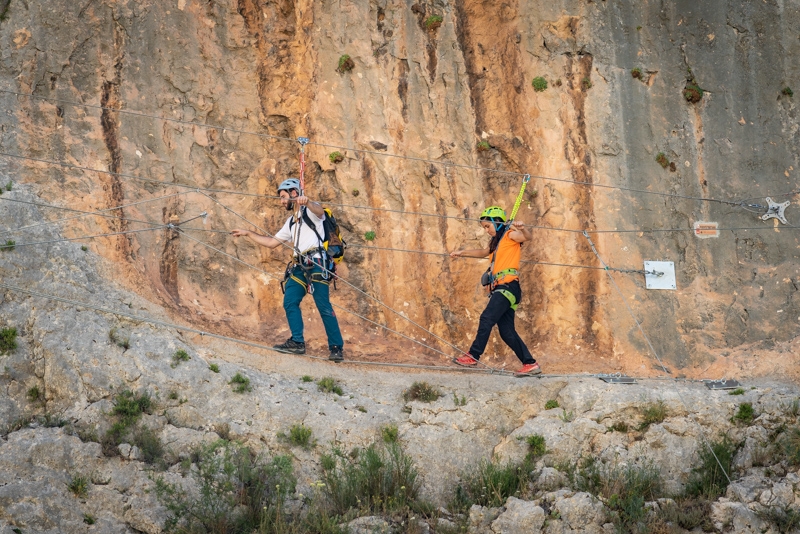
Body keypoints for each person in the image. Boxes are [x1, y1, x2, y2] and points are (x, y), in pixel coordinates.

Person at [231, 178, 344, 362]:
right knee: (290, 300)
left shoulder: (310, 212)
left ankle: (336, 347)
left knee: (323, 305)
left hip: (317, 263)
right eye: (281, 198)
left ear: (294, 194)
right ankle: (297, 342)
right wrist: (248, 233)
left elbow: (320, 211)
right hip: (300, 266)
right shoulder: (291, 222)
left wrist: (306, 201)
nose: (281, 201)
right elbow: (271, 243)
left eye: (284, 197)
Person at [449, 205, 541, 376]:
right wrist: (462, 253)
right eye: (484, 227)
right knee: (506, 332)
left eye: (487, 226)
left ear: (497, 223)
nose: (485, 230)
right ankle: (530, 363)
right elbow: (484, 252)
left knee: (487, 318)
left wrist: (521, 228)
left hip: (507, 286)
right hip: (506, 289)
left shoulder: (509, 235)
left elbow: (527, 237)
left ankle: (473, 355)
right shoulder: (496, 244)